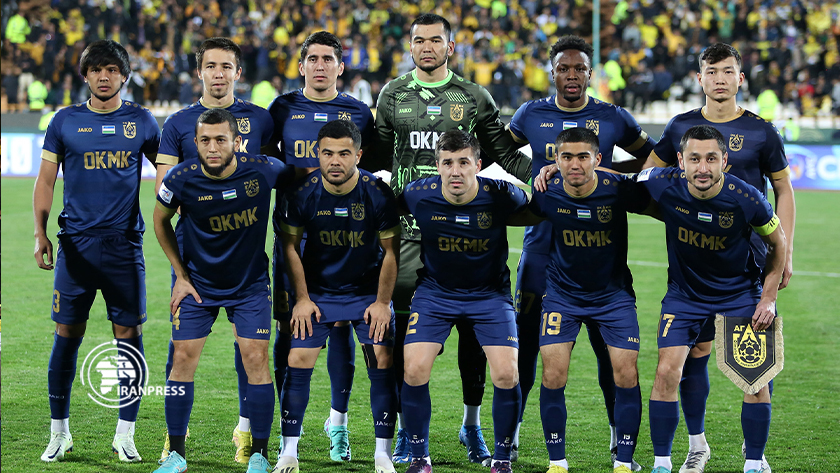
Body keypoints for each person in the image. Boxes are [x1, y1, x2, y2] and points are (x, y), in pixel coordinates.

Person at [375, 13, 532, 465]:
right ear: (410, 46)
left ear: (450, 46)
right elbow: (380, 159)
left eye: (435, 40)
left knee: (473, 337)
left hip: (468, 233)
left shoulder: (473, 96)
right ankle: (408, 431)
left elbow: (504, 154)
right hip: (408, 236)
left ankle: (472, 423)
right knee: (403, 338)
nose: (427, 47)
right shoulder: (392, 94)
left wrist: (545, 178)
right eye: (419, 40)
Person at [644, 43, 795, 473]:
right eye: (712, 72)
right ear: (700, 78)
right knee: (695, 354)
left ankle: (755, 457)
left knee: (754, 364)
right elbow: (646, 176)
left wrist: (785, 251)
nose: (720, 79)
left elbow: (783, 190)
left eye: (728, 71)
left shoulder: (762, 131)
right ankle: (696, 445)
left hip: (748, 258)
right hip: (695, 256)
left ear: (739, 78)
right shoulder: (680, 126)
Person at [512, 35, 654, 467]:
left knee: (605, 346)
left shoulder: (612, 117)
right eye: (563, 69)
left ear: (590, 74)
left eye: (579, 69)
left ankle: (618, 434)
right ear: (551, 72)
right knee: (529, 345)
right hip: (541, 247)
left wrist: (601, 171)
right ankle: (512, 433)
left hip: (598, 248)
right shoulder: (529, 114)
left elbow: (652, 158)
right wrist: (536, 173)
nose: (571, 76)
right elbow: (497, 151)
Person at [33, 39, 160, 463]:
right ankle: (59, 432)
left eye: (111, 70)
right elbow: (47, 179)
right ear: (85, 76)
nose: (104, 77)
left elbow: (166, 177)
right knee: (66, 335)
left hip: (125, 248)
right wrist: (40, 232)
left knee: (129, 339)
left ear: (124, 75)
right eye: (95, 70)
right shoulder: (64, 121)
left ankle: (125, 434)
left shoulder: (141, 121)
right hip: (76, 249)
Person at [152, 108, 296, 473]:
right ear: (195, 143)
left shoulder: (264, 169)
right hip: (198, 285)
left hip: (249, 286)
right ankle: (176, 455)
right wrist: (180, 274)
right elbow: (159, 220)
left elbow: (301, 179)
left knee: (256, 360)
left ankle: (259, 454)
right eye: (204, 141)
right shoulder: (181, 178)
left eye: (220, 140)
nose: (212, 148)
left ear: (237, 141)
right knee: (182, 359)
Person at [266, 30, 377, 462]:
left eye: (328, 59)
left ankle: (339, 422)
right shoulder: (282, 108)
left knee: (343, 326)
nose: (320, 65)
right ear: (301, 65)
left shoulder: (357, 113)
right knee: (287, 330)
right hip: (293, 237)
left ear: (340, 66)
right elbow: (267, 162)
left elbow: (374, 169)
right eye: (312, 58)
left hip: (346, 238)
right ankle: (284, 426)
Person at [397, 130, 533, 473]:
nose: (455, 171)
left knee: (507, 374)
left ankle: (501, 459)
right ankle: (419, 457)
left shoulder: (501, 194)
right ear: (437, 166)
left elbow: (536, 211)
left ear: (478, 164)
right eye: (447, 163)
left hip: (490, 296)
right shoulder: (416, 194)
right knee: (413, 368)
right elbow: (380, 217)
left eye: (463, 162)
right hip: (435, 294)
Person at [274, 120, 400, 473]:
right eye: (327, 152)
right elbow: (290, 248)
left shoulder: (377, 192)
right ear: (318, 153)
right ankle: (289, 452)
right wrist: (301, 298)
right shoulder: (302, 193)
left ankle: (382, 455)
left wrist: (381, 303)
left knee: (382, 359)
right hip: (318, 293)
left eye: (344, 153)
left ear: (358, 155)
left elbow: (391, 253)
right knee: (297, 359)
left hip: (365, 293)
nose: (335, 160)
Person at [528, 128, 652, 473]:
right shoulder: (545, 192)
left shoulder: (620, 191)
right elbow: (513, 213)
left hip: (613, 297)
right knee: (553, 374)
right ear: (555, 160)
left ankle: (624, 462)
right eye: (566, 157)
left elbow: (661, 200)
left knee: (626, 373)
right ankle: (557, 462)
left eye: (584, 157)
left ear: (598, 159)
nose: (575, 164)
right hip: (562, 297)